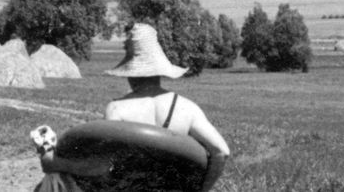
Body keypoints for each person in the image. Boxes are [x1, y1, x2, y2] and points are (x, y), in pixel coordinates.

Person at [40, 23, 230, 192]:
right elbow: (221, 152)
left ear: (130, 72)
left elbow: (102, 167)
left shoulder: (117, 109)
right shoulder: (187, 109)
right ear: (161, 71)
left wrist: (54, 162)